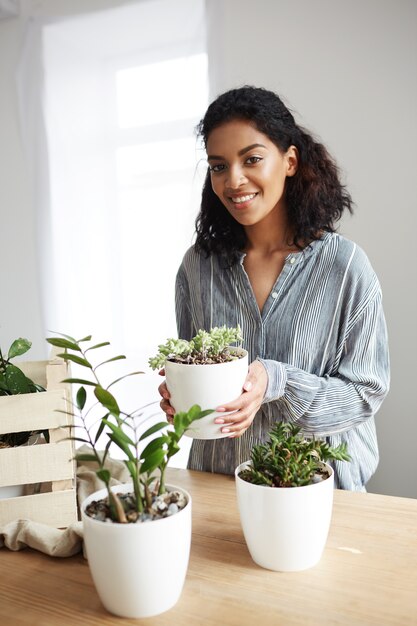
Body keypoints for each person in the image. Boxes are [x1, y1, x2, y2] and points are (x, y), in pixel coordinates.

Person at [159, 85, 390, 491]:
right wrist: (179, 392)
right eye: (218, 165)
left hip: (318, 497)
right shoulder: (198, 267)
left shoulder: (344, 267)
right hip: (218, 488)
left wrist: (278, 380)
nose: (233, 180)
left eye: (251, 159)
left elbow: (364, 396)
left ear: (289, 161)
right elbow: (195, 365)